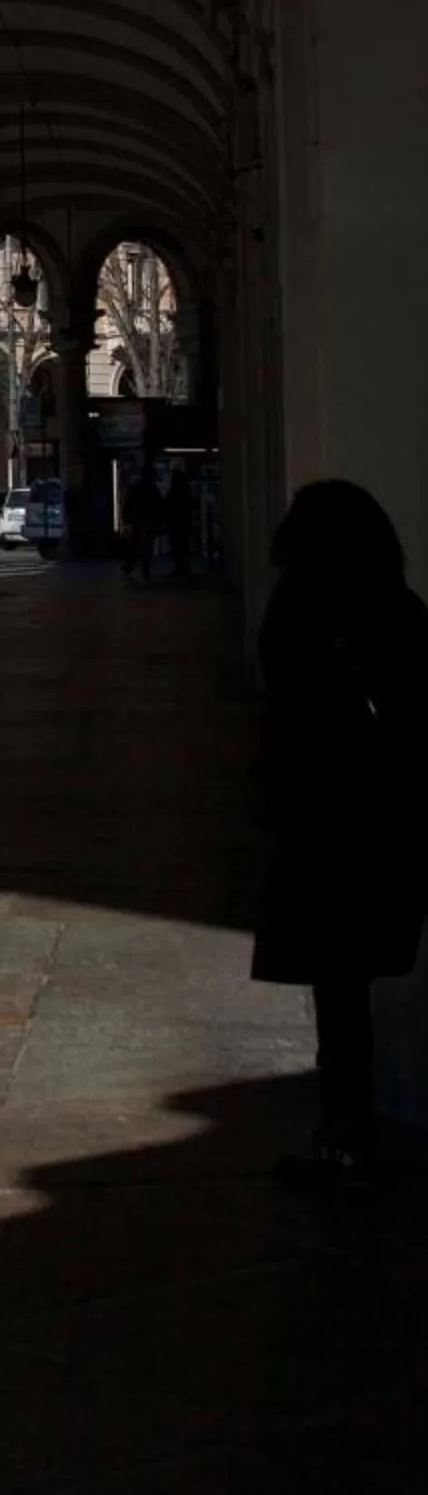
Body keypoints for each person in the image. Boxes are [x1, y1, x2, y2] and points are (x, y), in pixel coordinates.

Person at [253, 480, 428, 1181]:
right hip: (381, 820)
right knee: (349, 978)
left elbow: (295, 711)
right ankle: (348, 1121)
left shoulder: (308, 602)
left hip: (328, 820)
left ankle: (345, 1127)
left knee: (338, 984)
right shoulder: (397, 605)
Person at [122, 462, 163, 582]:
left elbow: (127, 505)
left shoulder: (135, 488)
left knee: (135, 545)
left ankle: (129, 565)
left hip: (137, 521)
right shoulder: (153, 489)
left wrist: (127, 520)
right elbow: (158, 506)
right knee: (147, 546)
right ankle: (144, 569)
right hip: (149, 521)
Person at [165, 459, 194, 582]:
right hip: (183, 519)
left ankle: (179, 567)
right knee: (181, 544)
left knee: (177, 544)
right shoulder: (184, 484)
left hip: (175, 519)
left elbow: (170, 500)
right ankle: (182, 567)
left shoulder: (174, 484)